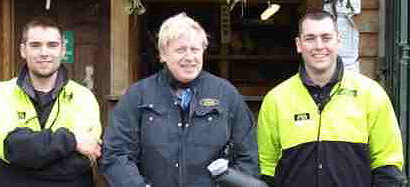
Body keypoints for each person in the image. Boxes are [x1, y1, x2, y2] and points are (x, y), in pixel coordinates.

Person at [100, 12, 259, 187]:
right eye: (180, 50)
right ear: (163, 55)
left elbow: (248, 156)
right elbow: (116, 153)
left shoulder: (226, 94)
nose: (189, 57)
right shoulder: (138, 95)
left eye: (195, 49)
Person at [257, 9, 406, 187]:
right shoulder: (276, 100)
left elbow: (387, 164)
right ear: (299, 44)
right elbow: (266, 170)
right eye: (310, 38)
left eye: (326, 37)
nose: (319, 46)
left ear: (338, 41)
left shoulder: (371, 94)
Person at [0, 16, 102, 187]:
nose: (44, 53)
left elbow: (82, 161)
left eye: (52, 45)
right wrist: (72, 140)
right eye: (35, 45)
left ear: (62, 50)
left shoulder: (84, 98)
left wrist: (19, 168)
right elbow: (12, 148)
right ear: (23, 50)